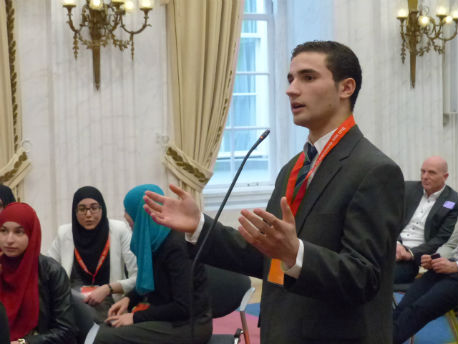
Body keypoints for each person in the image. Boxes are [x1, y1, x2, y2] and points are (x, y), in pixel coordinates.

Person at [143, 41, 404, 344]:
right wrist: (200, 226)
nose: (291, 90)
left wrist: (295, 253)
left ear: (346, 88)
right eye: (290, 79)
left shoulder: (374, 171)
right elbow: (266, 256)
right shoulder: (294, 167)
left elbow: (364, 277)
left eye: (307, 78)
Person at [93, 184, 212, 344]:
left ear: (144, 218)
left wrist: (135, 317)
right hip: (172, 319)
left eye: (132, 222)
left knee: (104, 339)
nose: (132, 228)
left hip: (190, 326)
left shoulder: (177, 247)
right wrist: (130, 299)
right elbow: (151, 280)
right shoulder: (158, 240)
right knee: (106, 329)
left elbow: (182, 307)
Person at [47, 186, 137, 323]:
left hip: (111, 305)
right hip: (73, 306)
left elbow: (138, 277)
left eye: (94, 208)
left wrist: (108, 288)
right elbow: (47, 272)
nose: (88, 214)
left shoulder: (119, 230)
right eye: (82, 209)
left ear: (102, 209)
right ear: (74, 212)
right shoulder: (64, 233)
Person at [0, 202, 76, 344]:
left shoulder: (51, 272)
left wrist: (25, 342)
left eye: (18, 232)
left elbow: (66, 330)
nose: (9, 240)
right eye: (3, 231)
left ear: (31, 234)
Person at [395, 156, 458, 283]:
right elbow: (391, 218)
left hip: (414, 258)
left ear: (445, 176)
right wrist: (396, 244)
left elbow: (441, 238)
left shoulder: (452, 201)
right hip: (391, 246)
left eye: (431, 172)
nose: (425, 176)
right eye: (423, 171)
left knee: (380, 278)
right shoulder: (407, 189)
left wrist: (410, 254)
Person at [393, 222, 458, 343]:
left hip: (455, 270)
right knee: (405, 305)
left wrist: (456, 266)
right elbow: (451, 244)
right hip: (449, 265)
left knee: (419, 309)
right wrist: (434, 259)